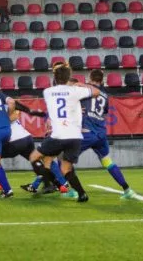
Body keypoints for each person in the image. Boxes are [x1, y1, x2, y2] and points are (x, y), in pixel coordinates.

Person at [28, 62, 101, 203]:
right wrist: (80, 84)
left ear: (54, 78)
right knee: (66, 169)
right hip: (75, 137)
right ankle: (82, 194)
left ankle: (54, 183)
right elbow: (97, 92)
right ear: (69, 77)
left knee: (34, 158)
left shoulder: (47, 92)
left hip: (58, 135)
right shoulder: (75, 90)